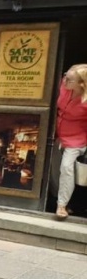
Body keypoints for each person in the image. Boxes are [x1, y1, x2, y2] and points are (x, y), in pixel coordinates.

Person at [55, 64, 87, 219]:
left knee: (66, 168)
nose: (65, 80)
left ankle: (61, 205)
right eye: (66, 76)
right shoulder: (65, 85)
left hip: (76, 139)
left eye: (70, 79)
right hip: (58, 135)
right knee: (55, 170)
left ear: (82, 84)